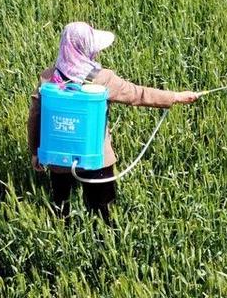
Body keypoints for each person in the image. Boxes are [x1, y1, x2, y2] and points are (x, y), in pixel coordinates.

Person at [27, 21, 199, 224]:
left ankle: (63, 238)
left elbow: (34, 118)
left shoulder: (48, 79)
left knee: (60, 207)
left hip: (58, 159)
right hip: (97, 158)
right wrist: (175, 97)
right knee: (103, 210)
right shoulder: (102, 79)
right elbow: (138, 94)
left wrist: (36, 152)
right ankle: (104, 244)